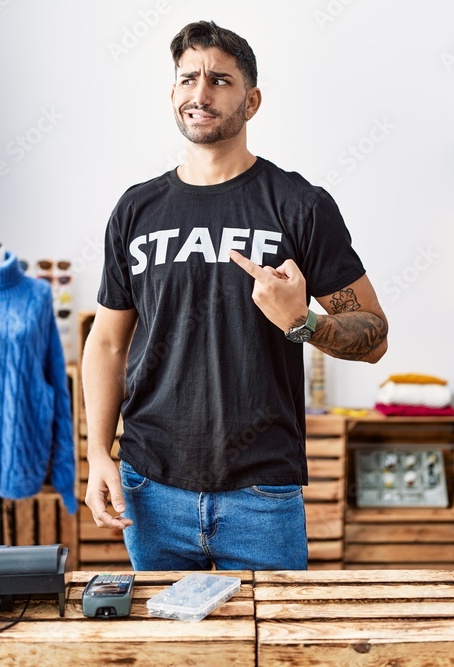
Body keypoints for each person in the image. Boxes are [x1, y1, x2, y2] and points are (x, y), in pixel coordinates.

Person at [82, 20, 388, 571]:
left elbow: (374, 337)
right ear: (173, 93)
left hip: (262, 495)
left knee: (274, 654)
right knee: (172, 653)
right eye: (186, 80)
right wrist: (96, 453)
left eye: (219, 81)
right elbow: (106, 343)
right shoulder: (135, 210)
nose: (199, 94)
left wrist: (303, 322)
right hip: (150, 486)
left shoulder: (300, 205)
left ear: (252, 101)